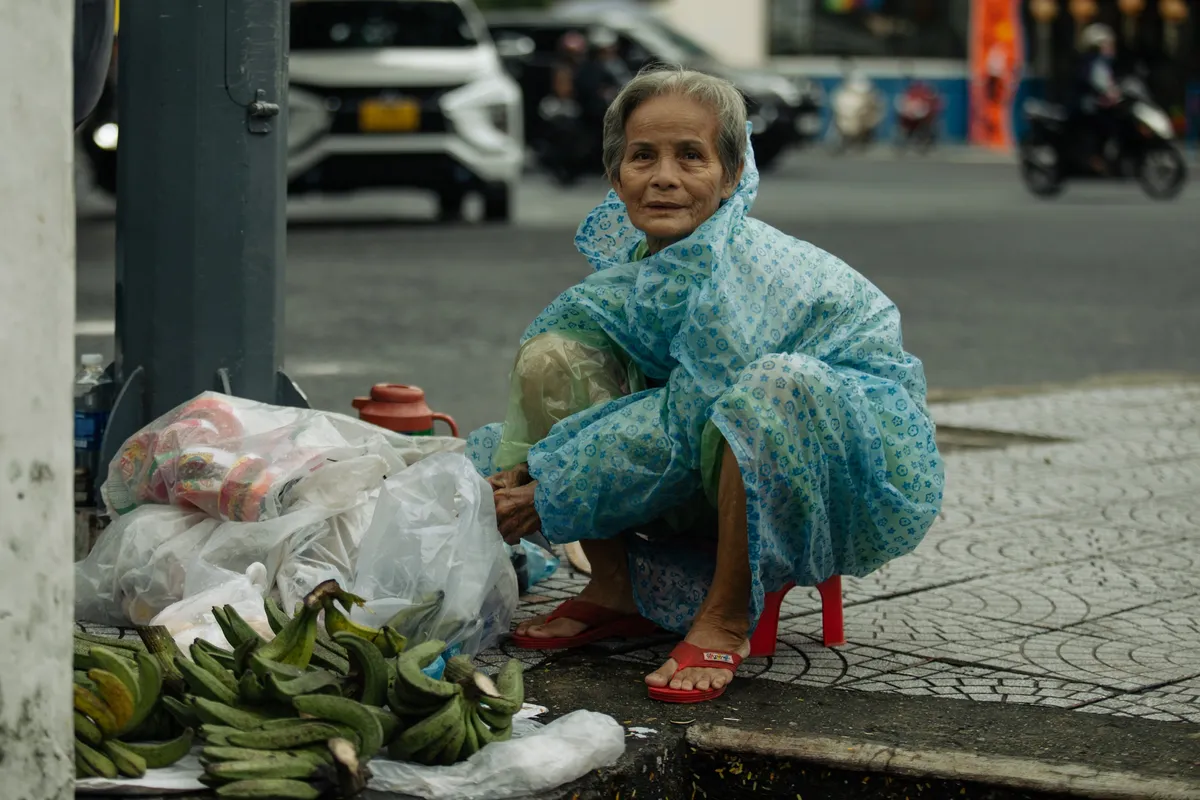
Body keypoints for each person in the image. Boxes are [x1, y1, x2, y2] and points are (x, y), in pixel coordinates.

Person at [467, 66, 944, 703]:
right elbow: (593, 381)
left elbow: (682, 422)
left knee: (778, 387)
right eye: (643, 157)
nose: (664, 177)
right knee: (557, 355)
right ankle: (613, 585)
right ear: (616, 177)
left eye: (691, 156)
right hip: (705, 462)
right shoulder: (645, 271)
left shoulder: (748, 269)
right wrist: (526, 468)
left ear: (729, 176)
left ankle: (725, 614)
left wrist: (550, 484)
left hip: (831, 472)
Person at [1073, 23, 1122, 173]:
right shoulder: (1091, 63)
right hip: (1089, 107)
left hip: (1102, 105)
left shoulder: (1106, 64)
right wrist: (1106, 95)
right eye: (1107, 45)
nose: (1111, 48)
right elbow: (1096, 85)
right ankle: (1094, 158)